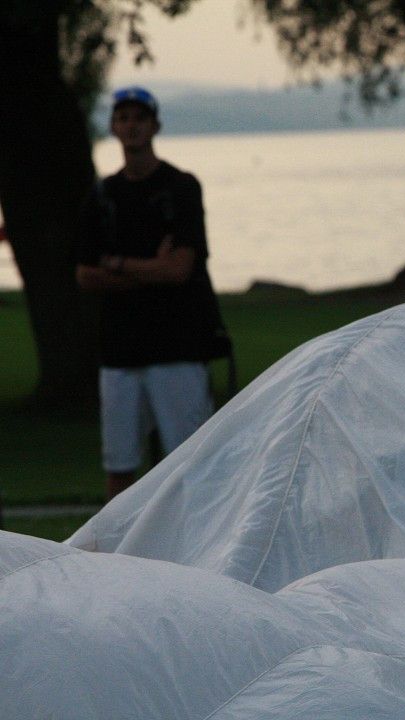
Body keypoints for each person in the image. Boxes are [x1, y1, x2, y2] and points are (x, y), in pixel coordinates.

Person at [76, 86, 226, 500]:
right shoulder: (102, 196)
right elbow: (86, 276)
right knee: (119, 466)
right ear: (112, 126)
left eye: (139, 117)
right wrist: (150, 269)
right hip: (120, 353)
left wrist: (118, 264)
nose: (131, 125)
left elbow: (179, 269)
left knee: (190, 464)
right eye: (122, 117)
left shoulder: (179, 188)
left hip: (177, 348)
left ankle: (194, 553)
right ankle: (119, 561)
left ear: (155, 125)